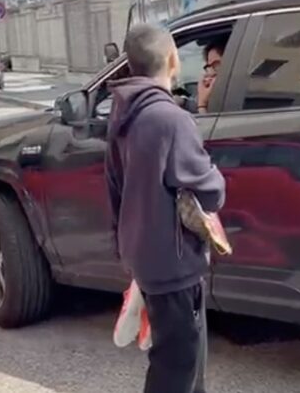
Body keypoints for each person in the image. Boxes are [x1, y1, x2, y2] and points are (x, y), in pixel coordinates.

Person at [105, 24, 226, 393]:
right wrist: (215, 173)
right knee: (178, 366)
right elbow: (211, 194)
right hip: (174, 263)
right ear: (173, 60)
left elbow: (115, 185)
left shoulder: (124, 111)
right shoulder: (170, 119)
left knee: (185, 361)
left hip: (145, 256)